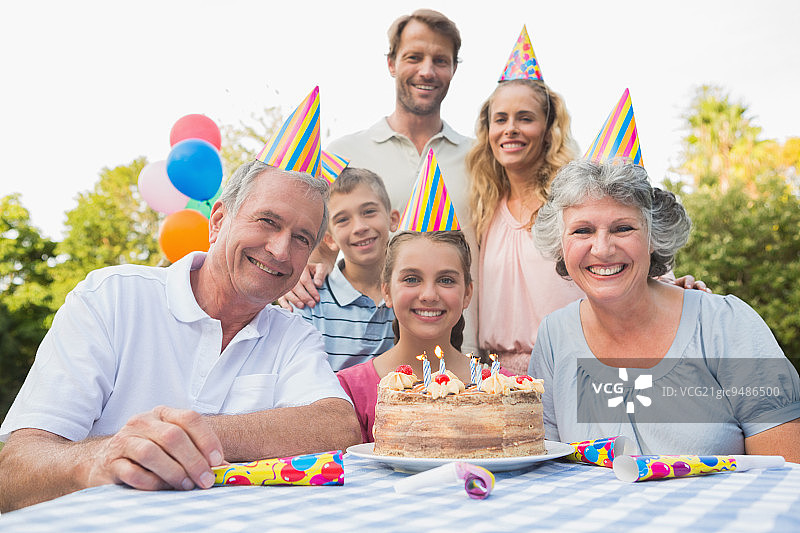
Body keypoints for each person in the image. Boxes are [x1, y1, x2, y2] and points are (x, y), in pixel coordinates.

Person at [0, 160, 362, 511]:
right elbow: (14, 471)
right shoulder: (111, 297)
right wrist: (103, 458)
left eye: (301, 239)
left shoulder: (293, 333)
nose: (281, 250)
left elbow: (339, 428)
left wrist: (192, 434)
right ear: (219, 221)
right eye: (268, 221)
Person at [529, 159, 800, 459]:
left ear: (653, 238)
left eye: (623, 228)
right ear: (560, 244)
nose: (603, 249)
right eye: (582, 231)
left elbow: (785, 472)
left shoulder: (725, 324)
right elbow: (545, 463)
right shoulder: (554, 336)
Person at [283, 9, 480, 355]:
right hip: (365, 346)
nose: (427, 71)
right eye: (413, 57)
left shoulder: (480, 159)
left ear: (454, 68)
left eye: (440, 60)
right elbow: (313, 241)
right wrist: (301, 271)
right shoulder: (343, 153)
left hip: (466, 349)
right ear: (391, 63)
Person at [337, 231, 515, 443]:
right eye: (411, 279)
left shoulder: (505, 386)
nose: (429, 295)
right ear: (386, 291)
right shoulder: (348, 390)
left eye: (446, 280)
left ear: (467, 294)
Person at [294, 167, 399, 371]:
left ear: (393, 219)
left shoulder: (411, 292)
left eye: (369, 212)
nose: (359, 227)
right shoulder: (310, 303)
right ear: (329, 239)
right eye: (342, 220)